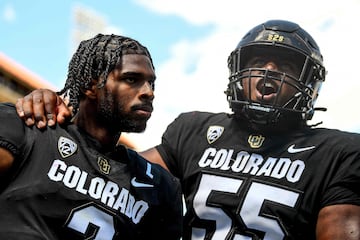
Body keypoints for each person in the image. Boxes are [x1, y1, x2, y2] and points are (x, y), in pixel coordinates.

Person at [15, 20, 360, 239]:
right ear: (238, 70)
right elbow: (112, 178)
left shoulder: (339, 152)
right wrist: (63, 116)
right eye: (257, 63)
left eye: (285, 65)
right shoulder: (195, 129)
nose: (268, 74)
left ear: (309, 83)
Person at [0, 33, 183, 239]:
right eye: (131, 79)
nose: (149, 92)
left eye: (151, 82)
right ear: (90, 85)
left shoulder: (160, 187)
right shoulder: (29, 127)